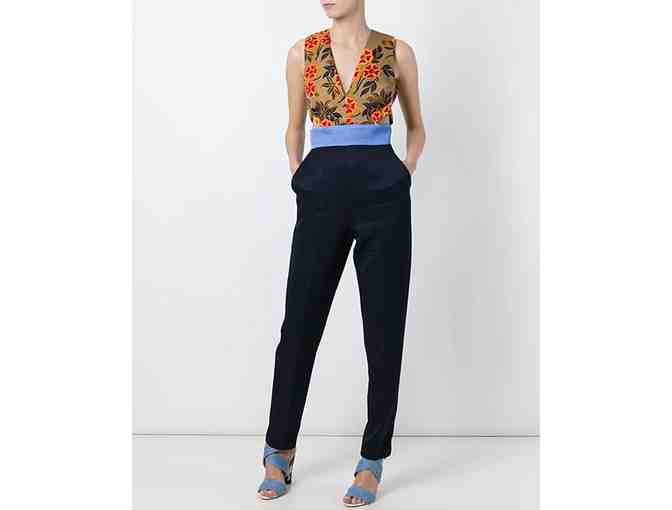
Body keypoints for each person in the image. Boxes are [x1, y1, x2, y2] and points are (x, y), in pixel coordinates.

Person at [257, 0, 425, 506]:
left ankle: (372, 458)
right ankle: (278, 449)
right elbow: (293, 127)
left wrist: (401, 175)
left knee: (384, 330)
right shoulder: (302, 53)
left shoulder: (397, 52)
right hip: (321, 196)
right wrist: (301, 178)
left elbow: (417, 127)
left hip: (384, 198)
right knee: (299, 326)